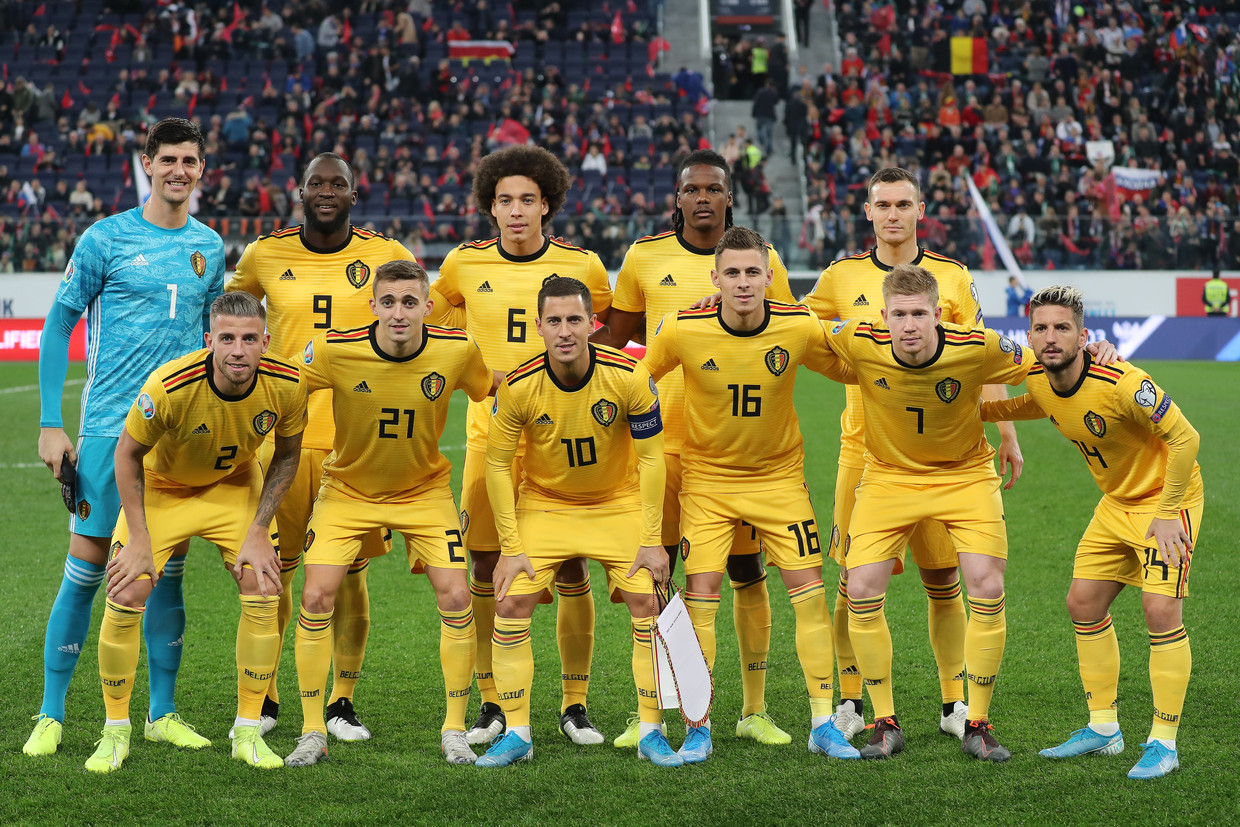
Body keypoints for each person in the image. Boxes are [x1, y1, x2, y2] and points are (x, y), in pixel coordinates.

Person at [27, 118, 225, 757]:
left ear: (201, 168)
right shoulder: (105, 238)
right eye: (167, 159)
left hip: (177, 439)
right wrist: (50, 422)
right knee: (86, 571)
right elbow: (58, 327)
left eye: (189, 160)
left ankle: (161, 713)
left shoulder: (211, 246)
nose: (178, 171)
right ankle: (52, 714)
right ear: (148, 163)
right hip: (111, 431)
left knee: (166, 575)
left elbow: (213, 342)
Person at [803, 167, 1019, 744]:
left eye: (903, 203)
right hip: (867, 449)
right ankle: (856, 699)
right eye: (883, 204)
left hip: (949, 449)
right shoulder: (840, 275)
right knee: (853, 582)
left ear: (920, 209)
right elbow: (797, 326)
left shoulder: (950, 277)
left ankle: (955, 701)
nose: (893, 213)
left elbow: (982, 358)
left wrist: (1010, 434)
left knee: (944, 576)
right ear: (868, 212)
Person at [591, 149, 797, 749]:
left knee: (744, 571)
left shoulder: (763, 262)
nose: (702, 198)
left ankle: (752, 709)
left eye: (713, 189)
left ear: (728, 197)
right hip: (660, 446)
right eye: (691, 190)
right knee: (658, 576)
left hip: (735, 450)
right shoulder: (644, 257)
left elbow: (787, 328)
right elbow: (616, 339)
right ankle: (651, 709)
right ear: (676, 198)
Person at [643, 226, 861, 765]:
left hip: (779, 481)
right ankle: (699, 727)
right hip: (708, 483)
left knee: (808, 592)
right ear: (714, 278)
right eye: (732, 273)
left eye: (753, 273)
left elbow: (854, 366)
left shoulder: (798, 326)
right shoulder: (683, 328)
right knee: (703, 599)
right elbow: (635, 378)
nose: (743, 283)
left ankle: (821, 722)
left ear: (771, 278)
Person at [227, 152, 419, 741]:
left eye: (338, 183)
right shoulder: (264, 253)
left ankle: (342, 700)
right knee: (273, 572)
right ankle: (265, 698)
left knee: (349, 575)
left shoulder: (387, 256)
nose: (326, 191)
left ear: (355, 194)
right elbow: (230, 314)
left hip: (358, 443)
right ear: (300, 191)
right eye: (317, 183)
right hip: (280, 439)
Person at [427, 146, 613, 747]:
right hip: (491, 435)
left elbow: (601, 335)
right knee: (484, 563)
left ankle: (575, 703)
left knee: (572, 564)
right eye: (504, 200)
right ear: (490, 206)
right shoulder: (460, 265)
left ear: (547, 204)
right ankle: (491, 701)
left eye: (527, 200)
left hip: (568, 434)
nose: (515, 211)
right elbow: (434, 327)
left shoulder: (584, 267)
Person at [981, 286, 1202, 780]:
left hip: (1169, 501)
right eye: (1041, 328)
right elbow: (1037, 404)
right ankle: (1104, 729)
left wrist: (1168, 513)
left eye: (1062, 328)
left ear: (1085, 335)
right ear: (1030, 335)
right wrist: (978, 412)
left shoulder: (1123, 381)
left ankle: (1163, 742)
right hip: (1116, 504)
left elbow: (1186, 438)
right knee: (1083, 603)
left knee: (1160, 609)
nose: (1050, 337)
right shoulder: (1038, 376)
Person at [285, 260, 498, 768]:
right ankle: (312, 730)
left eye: (409, 302)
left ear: (427, 306)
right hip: (347, 489)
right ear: (372, 306)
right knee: (316, 594)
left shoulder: (457, 349)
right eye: (388, 302)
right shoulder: (336, 349)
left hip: (424, 492)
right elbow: (282, 381)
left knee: (456, 592)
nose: (398, 312)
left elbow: (494, 388)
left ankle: (454, 730)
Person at [86, 292, 306, 772]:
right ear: (209, 340)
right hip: (165, 490)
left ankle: (248, 731)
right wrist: (139, 541)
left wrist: (259, 528)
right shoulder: (170, 385)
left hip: (233, 486)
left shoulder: (288, 382)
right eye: (227, 338)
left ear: (265, 342)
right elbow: (126, 456)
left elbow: (288, 454)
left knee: (264, 584)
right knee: (127, 588)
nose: (238, 350)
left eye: (249, 339)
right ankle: (115, 730)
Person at [476, 276, 678, 768]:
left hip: (616, 502)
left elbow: (652, 461)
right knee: (512, 599)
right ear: (539, 326)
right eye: (554, 321)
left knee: (645, 596)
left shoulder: (629, 376)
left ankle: (652, 728)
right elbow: (498, 465)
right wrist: (509, 545)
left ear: (592, 324)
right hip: (546, 504)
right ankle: (518, 731)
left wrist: (652, 542)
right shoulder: (520, 385)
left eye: (574, 320)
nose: (565, 331)